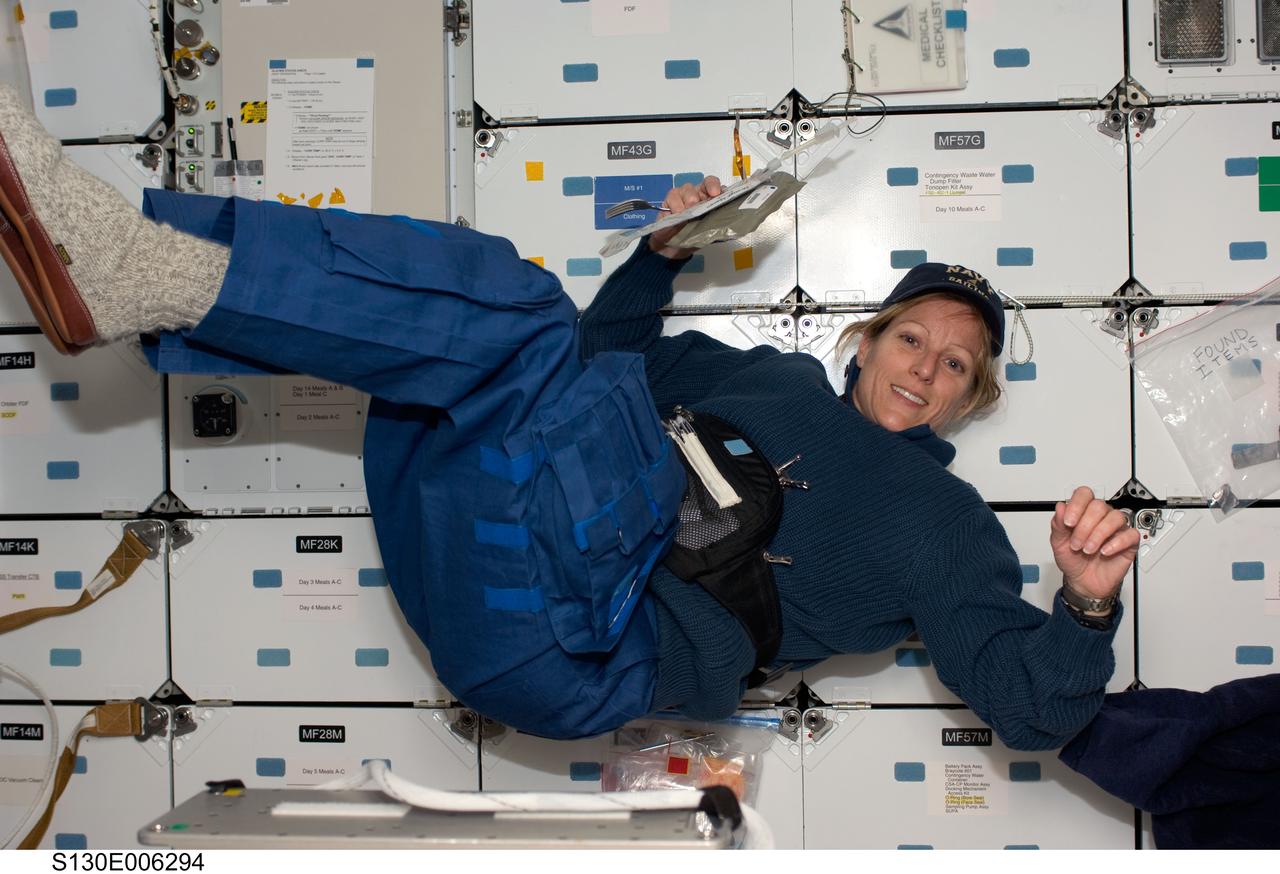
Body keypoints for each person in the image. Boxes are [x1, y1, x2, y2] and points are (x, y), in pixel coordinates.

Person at [0, 85, 1139, 748]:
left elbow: (1028, 706)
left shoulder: (946, 524)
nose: (926, 367)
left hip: (578, 643)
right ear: (867, 341)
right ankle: (143, 267)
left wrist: (1086, 604)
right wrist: (661, 256)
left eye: (956, 363)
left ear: (970, 397)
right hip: (484, 536)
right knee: (502, 301)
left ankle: (131, 271)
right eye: (912, 338)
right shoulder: (773, 380)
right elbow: (602, 357)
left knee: (519, 320)